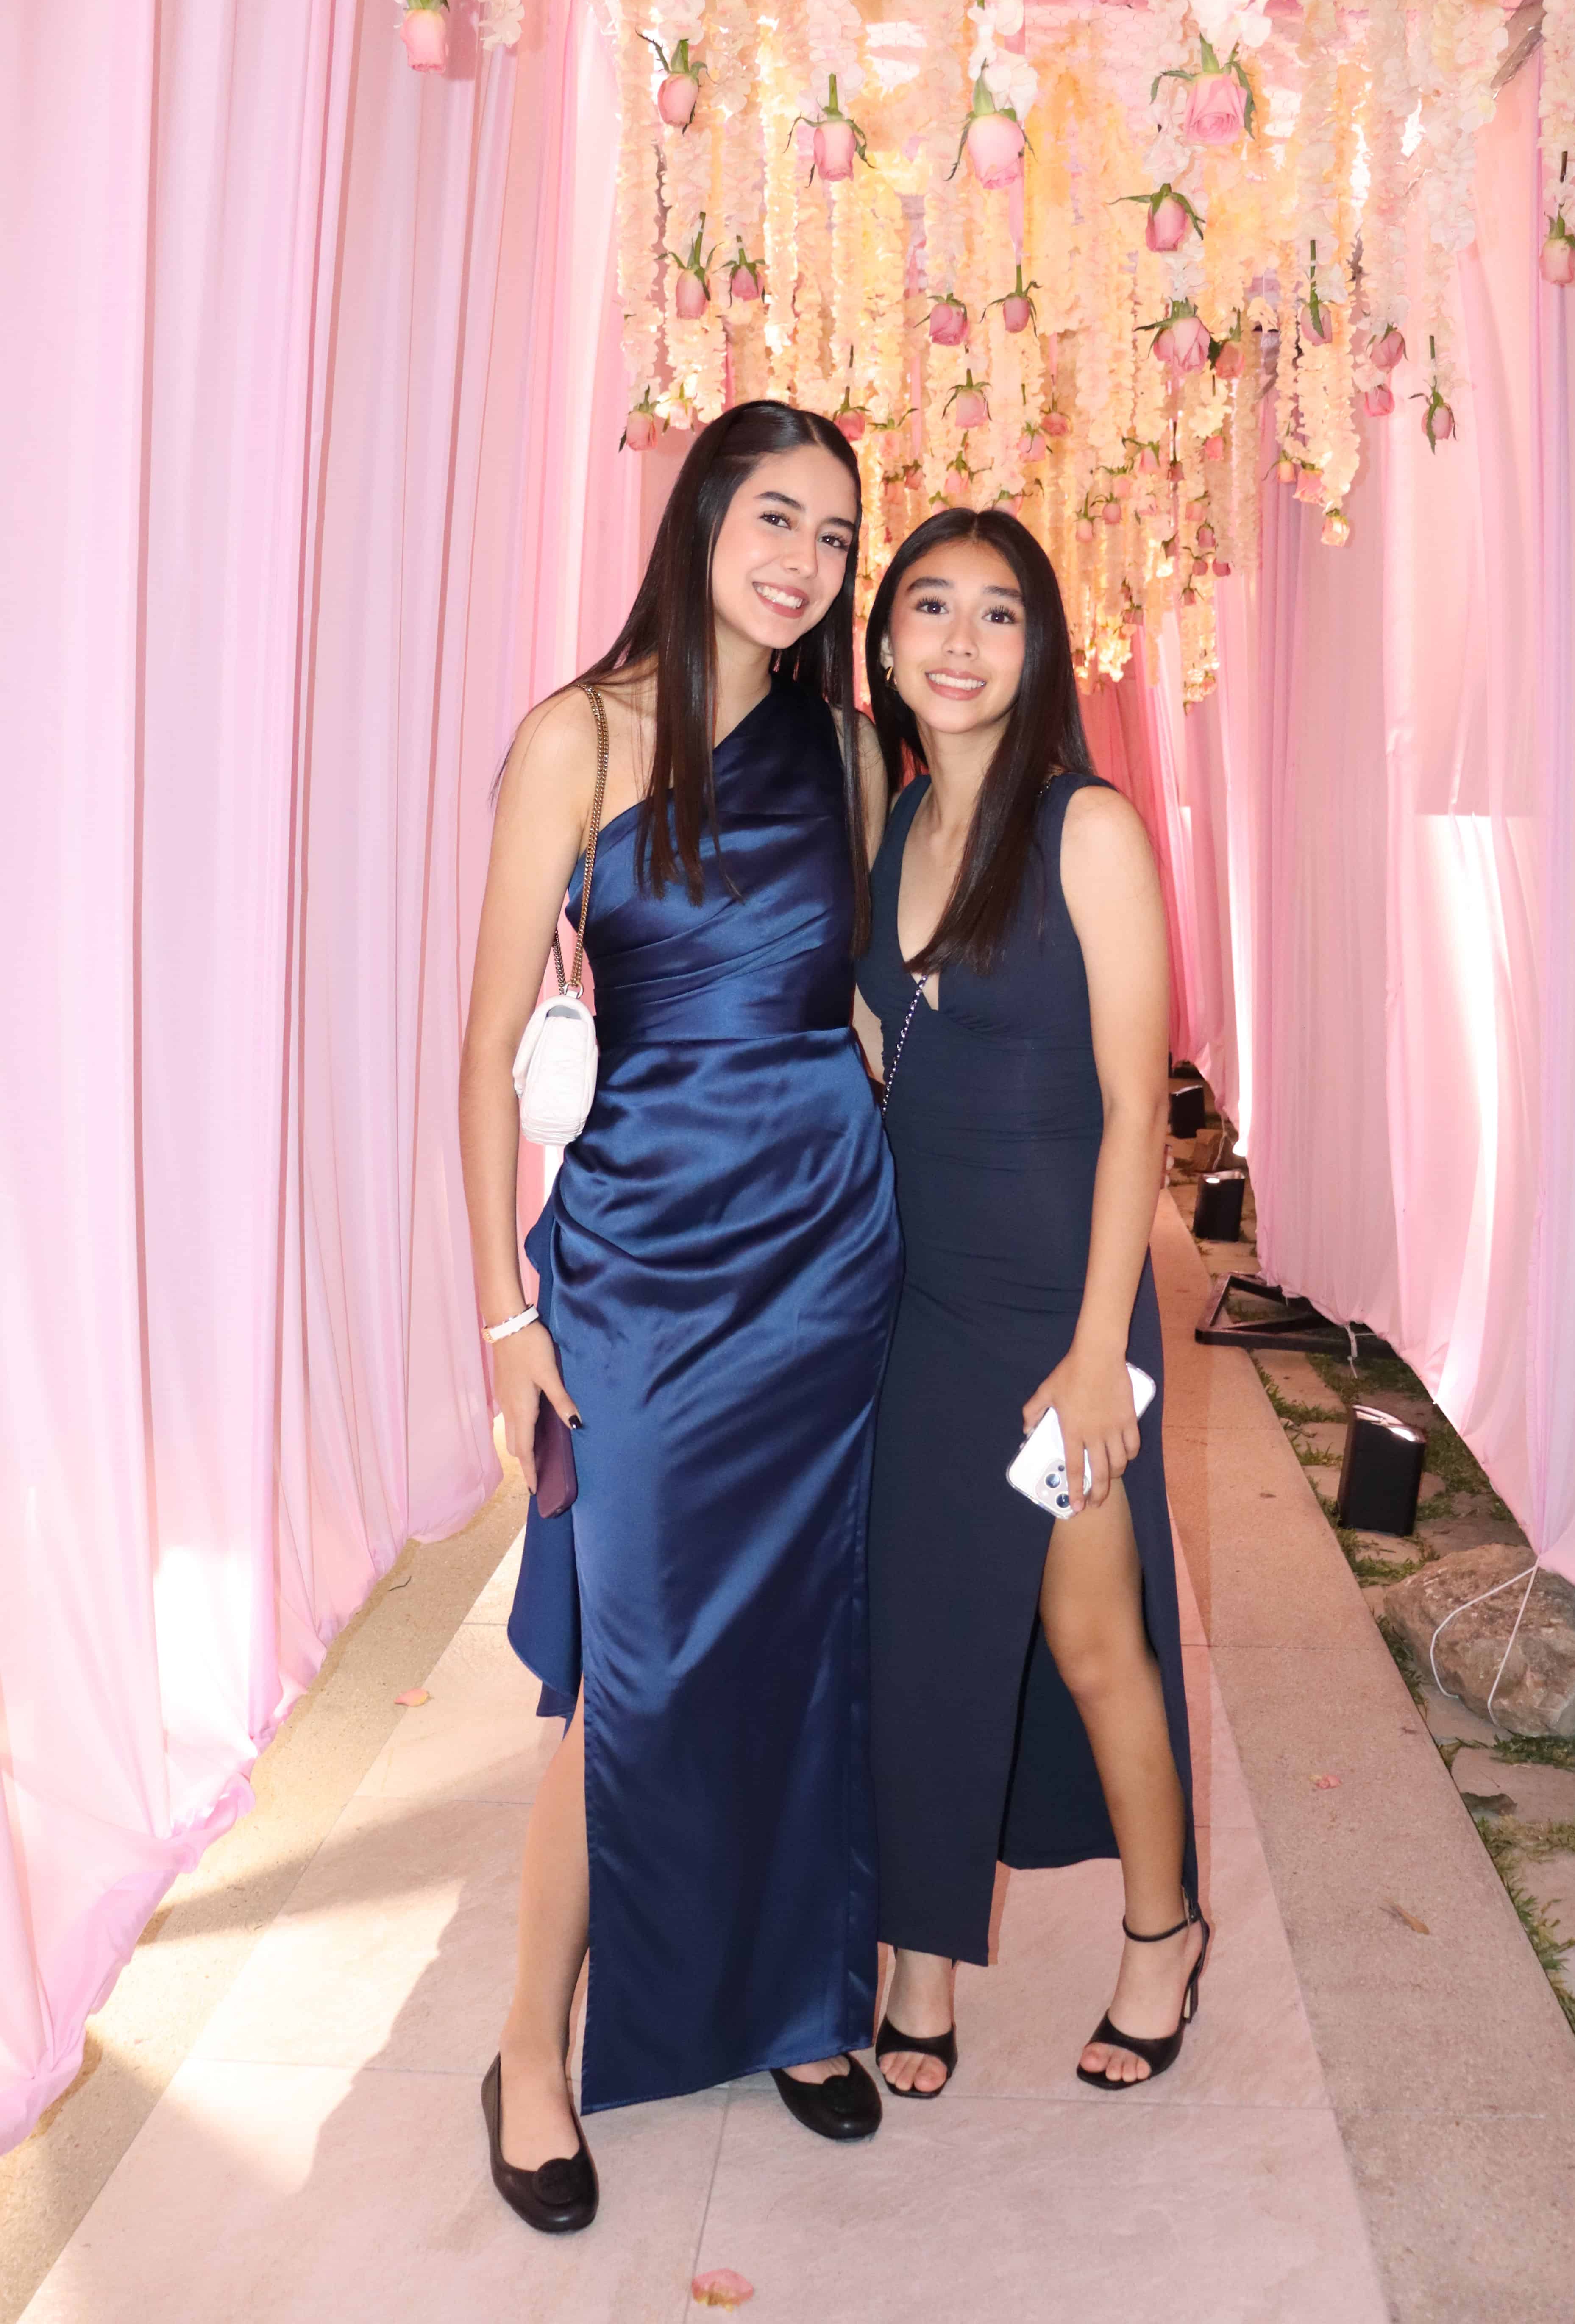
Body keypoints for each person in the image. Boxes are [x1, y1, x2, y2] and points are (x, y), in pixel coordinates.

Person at [459, 401, 901, 2234]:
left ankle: (798, 2000)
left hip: (824, 1250)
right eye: (777, 516)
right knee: (626, 1667)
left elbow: (860, 1004)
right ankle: (530, 2048)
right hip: (637, 1261)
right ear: (704, 513)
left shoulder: (850, 749)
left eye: (835, 535)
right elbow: (488, 1048)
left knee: (802, 1641)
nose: (805, 561)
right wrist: (507, 1317)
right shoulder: (576, 735)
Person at [853, 506, 1205, 2102]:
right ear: (886, 645)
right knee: (923, 1637)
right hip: (920, 1309)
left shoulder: (1087, 828)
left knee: (1087, 1633)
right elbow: (875, 1052)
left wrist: (1096, 1354)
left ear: (1040, 650)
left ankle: (1164, 1934)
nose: (961, 641)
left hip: (1066, 1315)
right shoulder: (892, 826)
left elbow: (1139, 1109)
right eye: (930, 607)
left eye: (999, 614)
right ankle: (921, 1959)